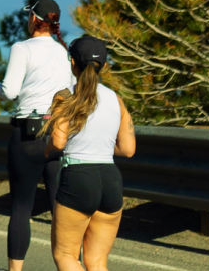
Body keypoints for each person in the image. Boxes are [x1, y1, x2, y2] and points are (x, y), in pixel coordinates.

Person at [0, 0, 74, 270]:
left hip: (27, 134)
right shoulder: (64, 52)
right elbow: (72, 90)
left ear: (33, 19)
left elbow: (10, 91)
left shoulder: (22, 48)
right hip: (57, 133)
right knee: (60, 210)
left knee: (21, 207)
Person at [49, 36, 136, 271]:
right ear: (104, 67)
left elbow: (57, 142)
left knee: (66, 256)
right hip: (110, 178)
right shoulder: (116, 100)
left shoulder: (65, 96)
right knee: (97, 262)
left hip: (78, 176)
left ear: (72, 63)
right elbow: (128, 149)